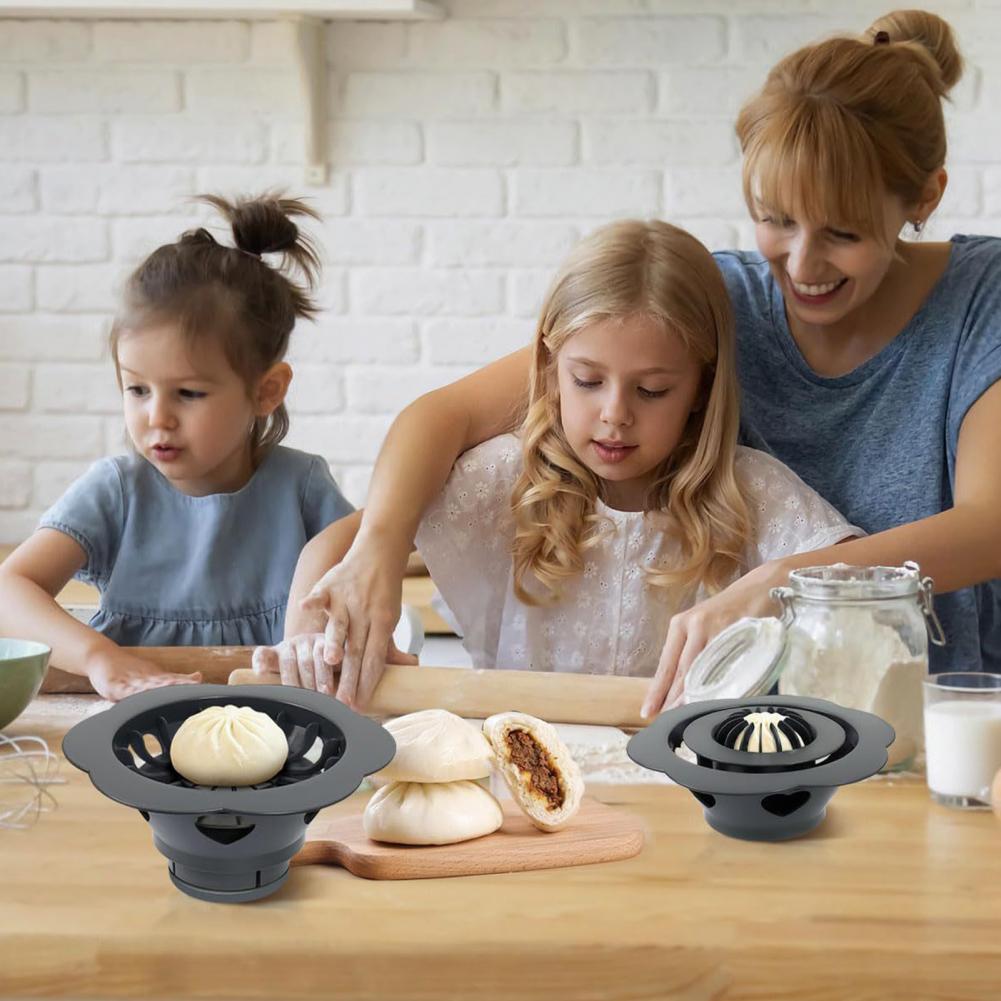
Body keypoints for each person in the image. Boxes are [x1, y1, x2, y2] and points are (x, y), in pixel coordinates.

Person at [274, 9, 1001, 716]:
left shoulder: (980, 299)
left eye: (841, 232)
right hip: (775, 724)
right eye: (776, 220)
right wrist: (371, 556)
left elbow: (989, 524)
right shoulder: (716, 300)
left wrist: (786, 581)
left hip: (952, 705)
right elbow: (448, 416)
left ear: (924, 197)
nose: (800, 263)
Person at [261, 220, 857, 707]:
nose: (615, 415)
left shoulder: (751, 494)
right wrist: (314, 641)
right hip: (517, 792)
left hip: (689, 803)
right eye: (588, 380)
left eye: (652, 391)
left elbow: (862, 586)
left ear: (702, 386)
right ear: (548, 366)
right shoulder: (502, 480)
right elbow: (341, 548)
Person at [0, 194, 355, 701]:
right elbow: (10, 588)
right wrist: (100, 657)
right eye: (137, 389)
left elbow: (361, 583)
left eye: (188, 393)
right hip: (129, 732)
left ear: (266, 391)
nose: (156, 417)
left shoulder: (302, 489)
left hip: (271, 733)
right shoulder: (115, 492)